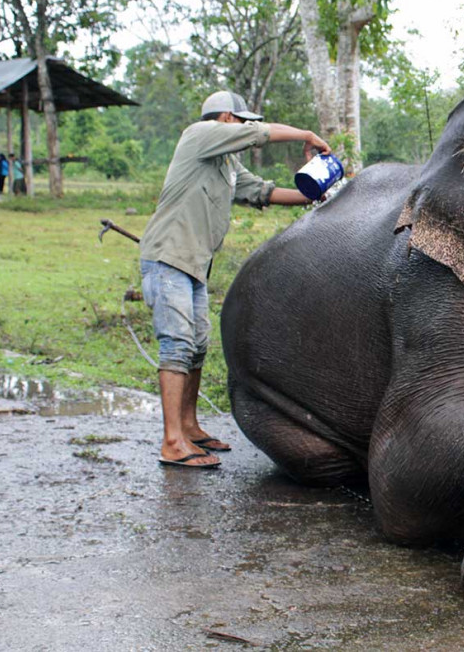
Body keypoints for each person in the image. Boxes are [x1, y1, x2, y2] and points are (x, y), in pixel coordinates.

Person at [139, 90, 330, 469]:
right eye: (243, 121)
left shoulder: (225, 165)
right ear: (226, 119)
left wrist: (315, 195)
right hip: (168, 257)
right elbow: (259, 136)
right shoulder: (198, 134)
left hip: (194, 264)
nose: (248, 128)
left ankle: (189, 427)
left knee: (196, 345)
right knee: (176, 345)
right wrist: (306, 135)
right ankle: (172, 441)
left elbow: (262, 191)